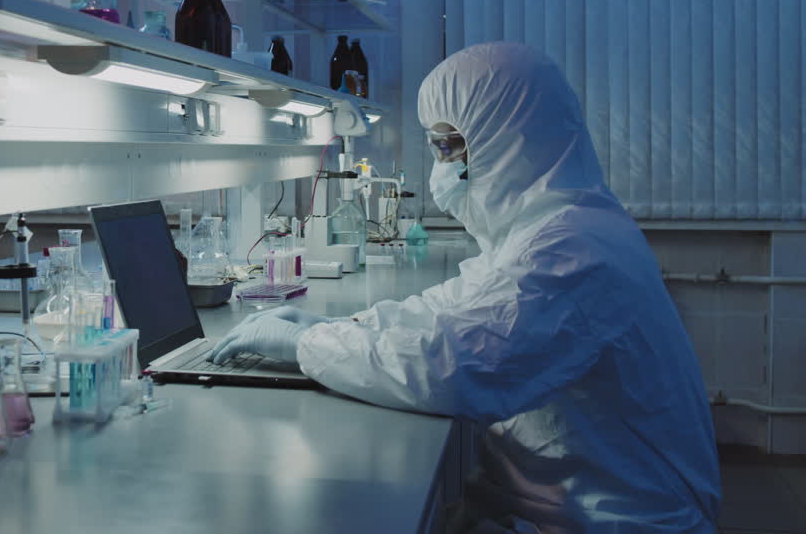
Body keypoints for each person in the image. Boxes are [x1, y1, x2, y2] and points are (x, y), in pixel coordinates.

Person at [209, 43, 720, 532]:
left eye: (450, 147)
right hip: (570, 505)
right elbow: (448, 310)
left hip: (617, 521)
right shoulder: (550, 229)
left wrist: (305, 344)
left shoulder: (573, 249)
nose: (443, 168)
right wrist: (342, 325)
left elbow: (444, 366)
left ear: (512, 140)